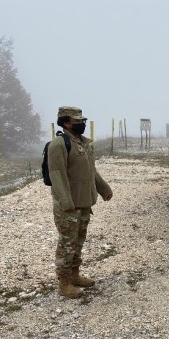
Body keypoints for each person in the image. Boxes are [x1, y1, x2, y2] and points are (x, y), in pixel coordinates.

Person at [47, 106, 113, 299]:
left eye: (82, 121)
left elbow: (91, 171)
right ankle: (64, 282)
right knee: (67, 244)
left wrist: (103, 189)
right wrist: (66, 203)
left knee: (78, 242)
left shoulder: (84, 143)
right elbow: (56, 175)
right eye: (77, 121)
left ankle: (74, 275)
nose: (81, 124)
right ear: (66, 122)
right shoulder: (58, 145)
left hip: (84, 203)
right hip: (68, 206)